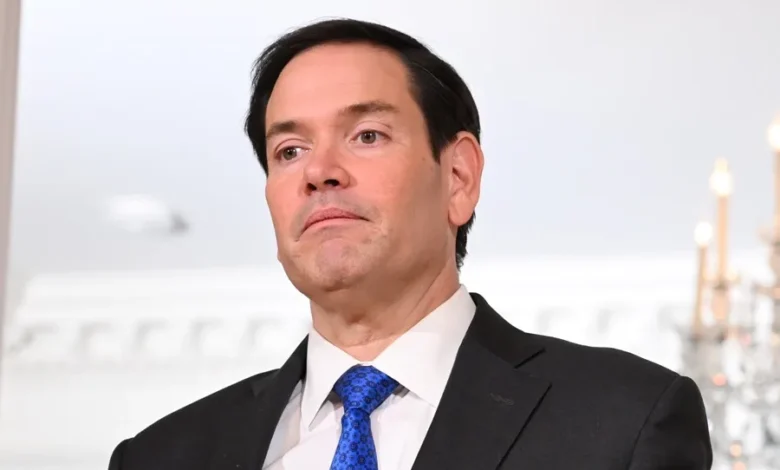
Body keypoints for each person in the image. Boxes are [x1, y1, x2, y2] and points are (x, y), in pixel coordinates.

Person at [108, 18, 712, 470]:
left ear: (458, 178)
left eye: (367, 135)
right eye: (289, 151)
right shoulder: (162, 456)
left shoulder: (622, 418)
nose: (319, 172)